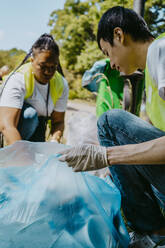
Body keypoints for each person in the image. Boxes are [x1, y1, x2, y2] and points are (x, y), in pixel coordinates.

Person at [59, 6, 165, 248]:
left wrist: (107, 155)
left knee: (109, 121)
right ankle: (155, 231)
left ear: (119, 35)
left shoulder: (162, 50)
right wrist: (117, 171)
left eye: (108, 52)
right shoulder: (150, 69)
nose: (111, 63)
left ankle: (152, 230)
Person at [0, 33, 69, 145]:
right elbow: (7, 126)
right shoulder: (19, 78)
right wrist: (21, 155)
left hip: (38, 126)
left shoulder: (61, 83)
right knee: (29, 115)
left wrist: (54, 141)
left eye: (53, 67)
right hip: (11, 127)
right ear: (32, 61)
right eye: (43, 66)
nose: (48, 72)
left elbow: (58, 121)